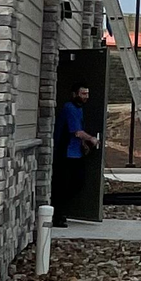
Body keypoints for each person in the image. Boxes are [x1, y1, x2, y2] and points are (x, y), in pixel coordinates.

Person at [52, 83, 101, 220]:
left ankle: (61, 212)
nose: (86, 97)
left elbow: (77, 132)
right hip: (66, 153)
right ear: (75, 94)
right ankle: (57, 215)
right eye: (83, 94)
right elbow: (77, 132)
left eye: (87, 94)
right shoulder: (70, 108)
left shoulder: (79, 109)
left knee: (77, 183)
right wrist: (91, 139)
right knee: (64, 185)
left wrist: (83, 144)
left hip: (76, 152)